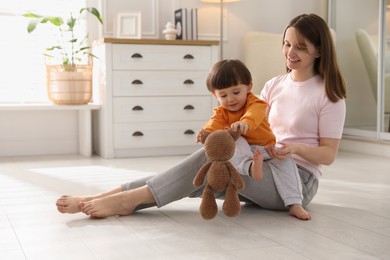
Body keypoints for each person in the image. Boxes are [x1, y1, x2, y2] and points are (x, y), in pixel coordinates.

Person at [56, 13, 346, 221]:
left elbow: (328, 155)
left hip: (297, 182)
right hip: (258, 164)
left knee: (210, 159)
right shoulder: (274, 85)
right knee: (200, 172)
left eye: (300, 47)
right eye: (286, 43)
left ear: (319, 50)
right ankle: (103, 197)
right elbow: (249, 123)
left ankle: (124, 200)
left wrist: (293, 148)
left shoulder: (328, 95)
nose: (289, 52)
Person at [196, 59, 306, 217]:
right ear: (215, 95)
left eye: (236, 92)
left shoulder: (255, 102)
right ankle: (249, 168)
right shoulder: (221, 112)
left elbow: (255, 113)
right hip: (243, 153)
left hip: (267, 150)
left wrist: (246, 122)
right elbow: (213, 125)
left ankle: (295, 202)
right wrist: (205, 133)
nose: (230, 99)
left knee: (286, 162)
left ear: (248, 87)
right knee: (232, 141)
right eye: (223, 95)